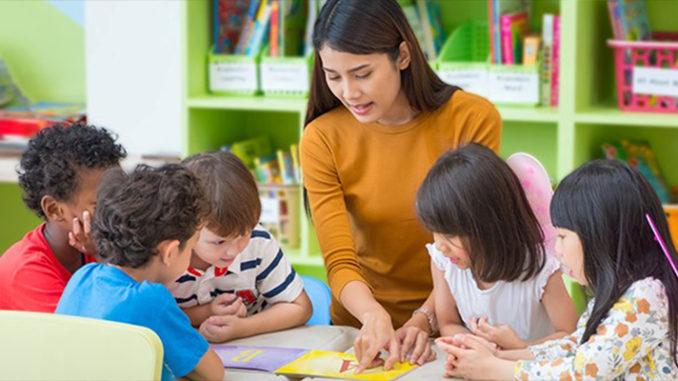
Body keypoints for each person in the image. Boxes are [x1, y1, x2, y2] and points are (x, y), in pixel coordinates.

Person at [299, 0, 501, 371]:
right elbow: (339, 262)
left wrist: (426, 317)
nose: (349, 92)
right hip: (361, 328)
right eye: (334, 75)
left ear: (403, 56)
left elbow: (474, 246)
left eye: (362, 73)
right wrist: (373, 317)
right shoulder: (321, 138)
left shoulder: (471, 118)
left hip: (457, 321)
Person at [436, 160, 678, 380]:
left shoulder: (647, 295)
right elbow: (575, 346)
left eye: (562, 236)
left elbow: (583, 373)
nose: (557, 249)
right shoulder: (621, 292)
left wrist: (494, 369)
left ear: (601, 236)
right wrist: (499, 357)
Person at [56, 164, 224, 381]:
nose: (192, 255)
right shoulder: (151, 300)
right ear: (170, 252)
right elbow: (213, 374)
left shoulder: (83, 276)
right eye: (191, 248)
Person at [416, 144, 577, 353]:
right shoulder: (443, 261)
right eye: (435, 232)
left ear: (489, 226)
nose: (440, 245)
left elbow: (570, 336)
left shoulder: (540, 268)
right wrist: (477, 345)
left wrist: (518, 349)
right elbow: (448, 323)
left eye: (449, 235)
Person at [169, 151, 312, 342]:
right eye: (219, 241)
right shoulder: (167, 256)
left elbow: (300, 307)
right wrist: (205, 313)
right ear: (187, 226)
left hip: (252, 349)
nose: (234, 251)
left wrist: (243, 328)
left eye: (245, 234)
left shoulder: (258, 243)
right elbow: (149, 316)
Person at [0, 122, 126, 312]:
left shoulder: (103, 240)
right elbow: (100, 332)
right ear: (54, 210)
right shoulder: (26, 272)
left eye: (122, 195)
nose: (121, 208)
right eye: (102, 203)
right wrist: (103, 254)